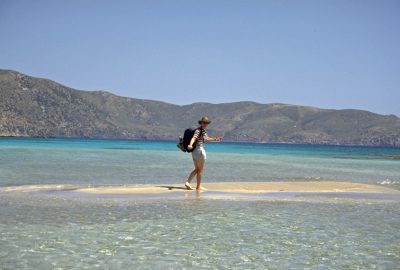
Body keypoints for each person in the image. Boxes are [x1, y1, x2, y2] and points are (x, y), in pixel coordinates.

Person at [185, 116, 223, 190]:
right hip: (200, 151)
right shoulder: (199, 131)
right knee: (200, 170)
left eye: (207, 123)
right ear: (201, 123)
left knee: (196, 169)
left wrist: (216, 139)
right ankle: (198, 186)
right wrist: (190, 144)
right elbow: (194, 138)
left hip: (194, 151)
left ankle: (188, 182)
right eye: (204, 123)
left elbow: (207, 138)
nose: (206, 124)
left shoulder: (203, 131)